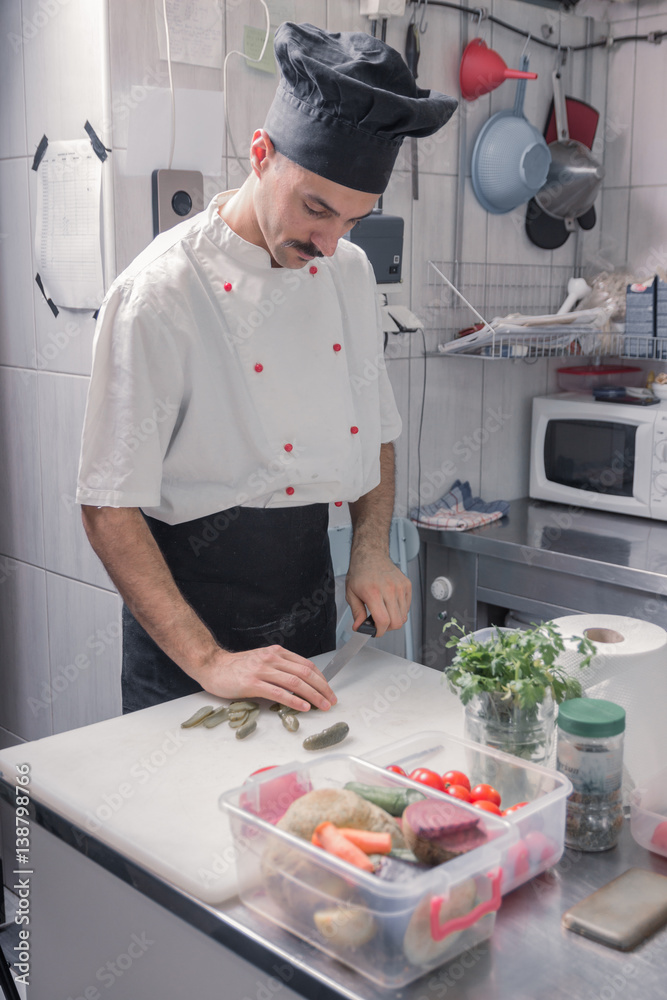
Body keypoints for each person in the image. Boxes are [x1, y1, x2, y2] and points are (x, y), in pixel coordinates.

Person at [76, 22, 457, 715]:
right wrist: (210, 661)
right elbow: (106, 502)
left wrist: (370, 550)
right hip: (189, 636)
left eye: (353, 219)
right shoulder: (160, 292)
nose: (327, 242)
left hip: (306, 625)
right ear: (260, 155)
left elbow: (373, 430)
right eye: (315, 208)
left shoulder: (348, 270)